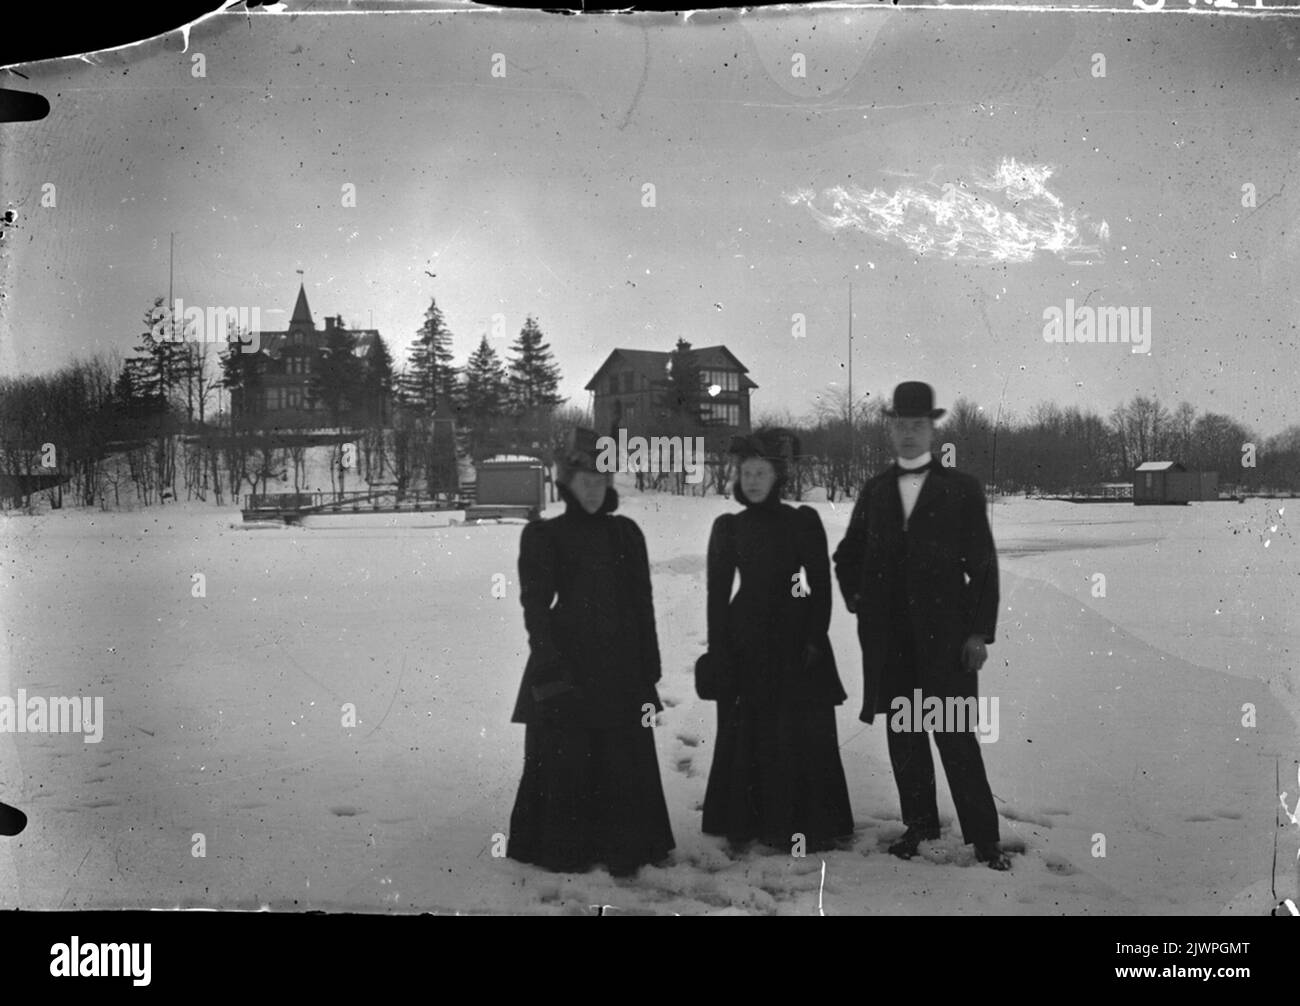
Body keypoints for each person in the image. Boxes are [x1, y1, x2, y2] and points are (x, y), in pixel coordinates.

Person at [833, 382, 1010, 870]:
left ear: (932, 429)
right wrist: (861, 603)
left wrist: (978, 633)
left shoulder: (961, 489)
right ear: (890, 430)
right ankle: (920, 825)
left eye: (918, 425)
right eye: (900, 425)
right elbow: (847, 556)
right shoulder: (875, 490)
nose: (909, 434)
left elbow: (984, 566)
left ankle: (984, 839)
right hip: (891, 646)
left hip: (946, 644)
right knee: (905, 736)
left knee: (954, 736)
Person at [506, 428, 675, 876]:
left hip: (621, 664)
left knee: (622, 753)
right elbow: (535, 606)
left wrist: (649, 664)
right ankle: (567, 846)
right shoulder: (545, 536)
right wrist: (547, 663)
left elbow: (642, 601)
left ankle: (624, 842)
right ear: (567, 485)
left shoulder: (626, 534)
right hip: (568, 662)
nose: (594, 491)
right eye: (585, 483)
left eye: (601, 482)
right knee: (568, 753)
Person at [699, 428, 855, 853]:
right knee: (750, 728)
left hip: (794, 636)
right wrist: (718, 651)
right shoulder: (729, 527)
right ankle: (748, 819)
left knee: (796, 729)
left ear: (777, 476)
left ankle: (802, 820)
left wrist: (814, 637)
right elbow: (717, 595)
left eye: (760, 472)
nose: (751, 480)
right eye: (746, 472)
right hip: (745, 636)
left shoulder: (802, 521)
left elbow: (818, 584)